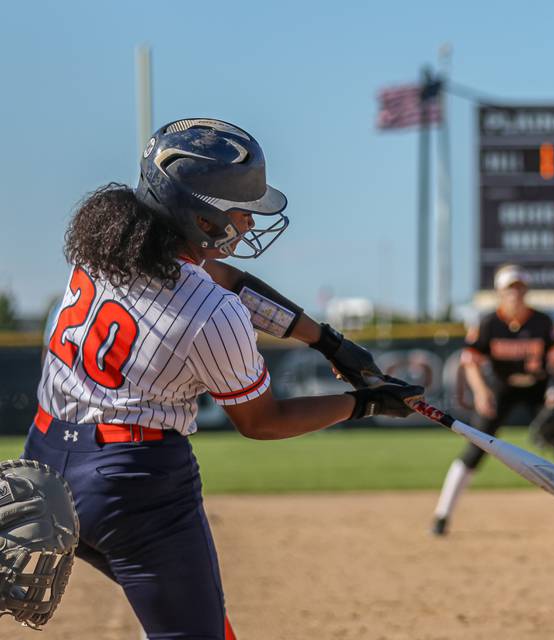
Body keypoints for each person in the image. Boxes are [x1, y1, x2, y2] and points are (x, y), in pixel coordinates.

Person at [24, 118, 422, 640]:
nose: (250, 225)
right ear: (202, 219)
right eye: (241, 212)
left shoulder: (101, 249)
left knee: (189, 619)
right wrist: (363, 404)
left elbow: (222, 279)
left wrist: (327, 342)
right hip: (133, 484)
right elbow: (262, 422)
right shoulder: (211, 313)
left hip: (45, 459)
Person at [431, 264, 554, 536]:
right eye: (510, 289)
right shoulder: (489, 323)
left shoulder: (542, 322)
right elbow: (470, 361)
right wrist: (481, 391)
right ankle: (442, 516)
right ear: (499, 293)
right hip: (502, 389)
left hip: (538, 388)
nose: (516, 294)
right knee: (474, 448)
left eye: (520, 288)